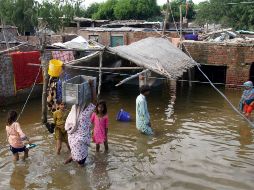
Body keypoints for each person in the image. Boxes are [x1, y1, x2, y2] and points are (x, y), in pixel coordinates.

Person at [64, 79, 97, 167]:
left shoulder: (74, 109)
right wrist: (92, 86)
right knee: (81, 163)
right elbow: (94, 102)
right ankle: (79, 165)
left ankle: (70, 159)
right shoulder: (84, 114)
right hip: (79, 141)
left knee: (75, 153)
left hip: (72, 139)